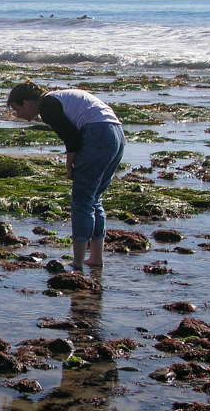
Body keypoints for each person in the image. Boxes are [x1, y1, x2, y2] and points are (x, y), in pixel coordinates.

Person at [7, 79, 124, 269]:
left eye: (17, 110)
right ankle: (95, 258)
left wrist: (69, 166)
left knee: (82, 201)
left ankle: (77, 262)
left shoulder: (47, 105)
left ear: (26, 103)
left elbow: (72, 138)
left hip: (98, 134)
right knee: (94, 199)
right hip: (117, 133)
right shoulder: (58, 97)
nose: (19, 115)